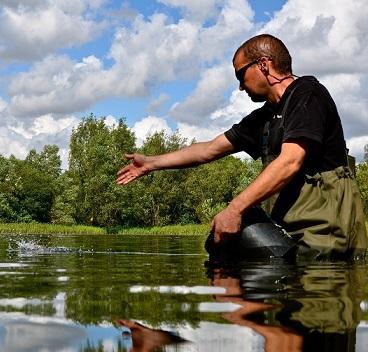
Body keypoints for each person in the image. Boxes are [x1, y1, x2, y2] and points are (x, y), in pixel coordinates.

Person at [116, 34, 367, 260]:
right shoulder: (264, 118)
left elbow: (290, 161)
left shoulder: (308, 95)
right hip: (291, 233)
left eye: (240, 75)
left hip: (327, 234)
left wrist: (234, 209)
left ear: (263, 65)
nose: (240, 86)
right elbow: (208, 150)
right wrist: (151, 163)